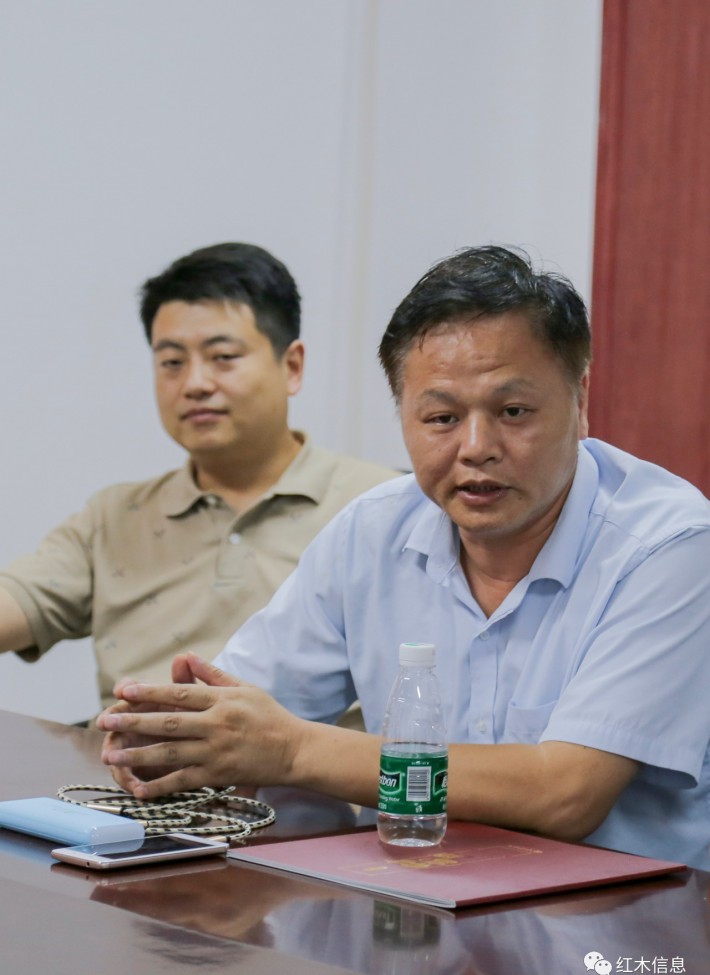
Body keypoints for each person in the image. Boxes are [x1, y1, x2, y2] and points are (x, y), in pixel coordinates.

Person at [98, 245, 710, 870]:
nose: (476, 447)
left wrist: (292, 751)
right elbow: (244, 714)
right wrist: (174, 739)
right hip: (409, 896)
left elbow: (565, 794)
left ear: (580, 399)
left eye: (513, 412)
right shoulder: (372, 530)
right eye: (441, 417)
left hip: (619, 913)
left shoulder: (668, 545)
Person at [0, 242, 396, 714]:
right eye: (172, 362)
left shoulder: (381, 507)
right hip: (125, 759)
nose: (195, 384)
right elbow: (18, 600)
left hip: (305, 762)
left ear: (291, 367)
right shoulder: (114, 517)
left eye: (222, 356)